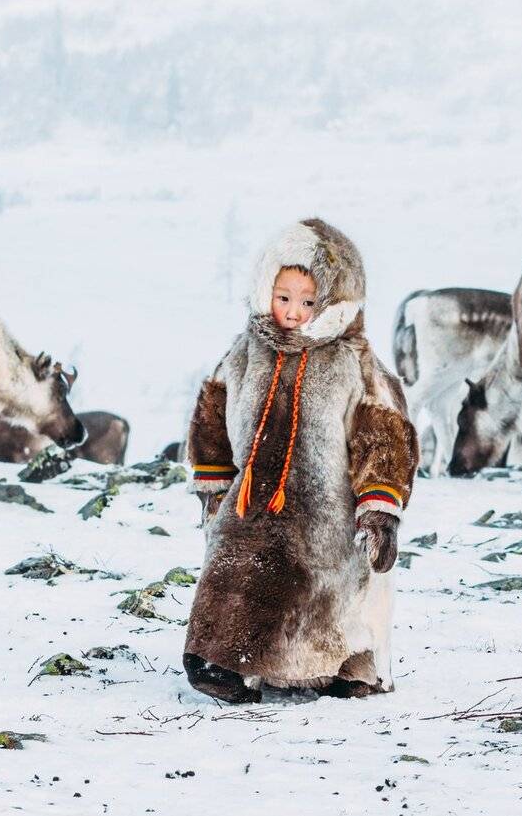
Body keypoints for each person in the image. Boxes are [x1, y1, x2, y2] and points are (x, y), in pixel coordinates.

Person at [182, 218, 419, 703]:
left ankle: (337, 668)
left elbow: (384, 434)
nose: (292, 312)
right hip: (249, 503)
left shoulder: (353, 362)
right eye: (283, 296)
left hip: (324, 510)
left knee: (325, 593)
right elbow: (212, 413)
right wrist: (213, 482)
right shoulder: (246, 353)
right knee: (232, 571)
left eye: (308, 302)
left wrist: (379, 506)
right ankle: (220, 665)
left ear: (334, 300)